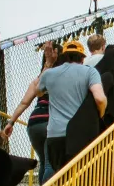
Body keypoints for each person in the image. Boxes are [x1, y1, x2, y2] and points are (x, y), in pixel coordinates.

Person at [37, 40, 107, 173]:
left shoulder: (49, 74)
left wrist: (48, 65)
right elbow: (100, 98)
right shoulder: (90, 72)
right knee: (81, 179)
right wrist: (100, 114)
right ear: (82, 58)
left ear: (64, 57)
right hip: (78, 134)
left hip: (54, 135)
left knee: (60, 178)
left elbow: (38, 91)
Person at [4, 41, 57, 186]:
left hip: (33, 124)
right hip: (49, 122)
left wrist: (11, 122)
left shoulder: (36, 81)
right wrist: (50, 62)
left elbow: (24, 103)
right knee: (50, 163)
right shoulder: (59, 78)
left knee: (44, 161)